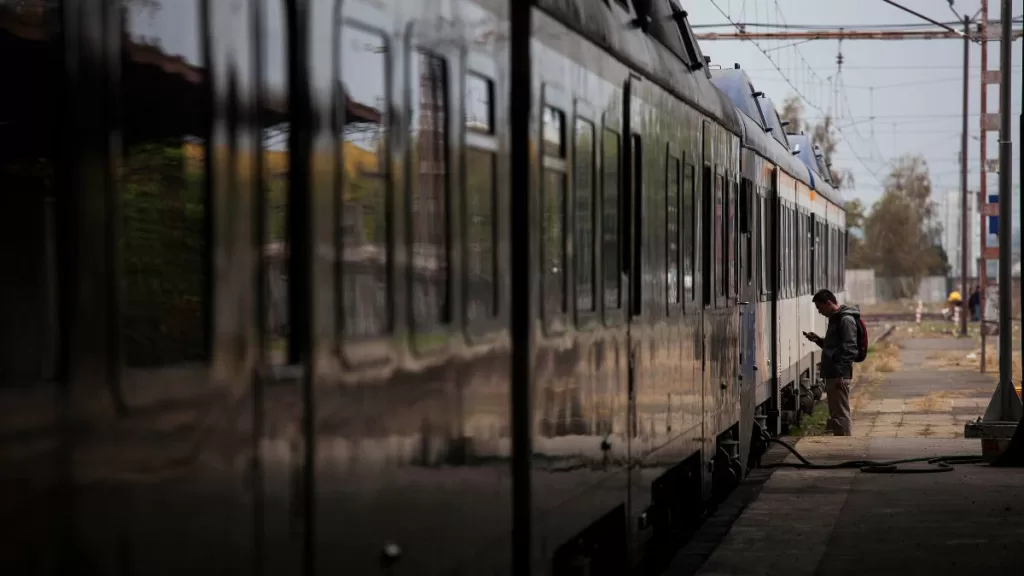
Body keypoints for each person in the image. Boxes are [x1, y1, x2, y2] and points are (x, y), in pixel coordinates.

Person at [804, 289, 859, 436]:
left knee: (841, 414)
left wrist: (841, 374)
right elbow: (834, 348)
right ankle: (841, 443)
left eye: (820, 308)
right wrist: (818, 340)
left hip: (838, 375)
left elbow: (850, 349)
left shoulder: (845, 320)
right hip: (835, 374)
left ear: (828, 303)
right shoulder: (836, 318)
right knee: (836, 413)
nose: (819, 312)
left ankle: (844, 445)